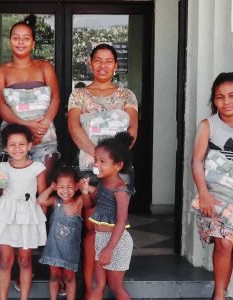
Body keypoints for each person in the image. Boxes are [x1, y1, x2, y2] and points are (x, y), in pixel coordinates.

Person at [67, 43, 138, 296]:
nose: (103, 65)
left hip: (118, 169)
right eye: (98, 60)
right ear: (90, 62)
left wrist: (111, 159)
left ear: (116, 65)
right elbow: (75, 128)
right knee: (91, 228)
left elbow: (131, 132)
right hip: (89, 168)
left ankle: (113, 278)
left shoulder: (127, 96)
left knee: (114, 221)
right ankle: (92, 287)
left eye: (109, 61)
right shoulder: (79, 95)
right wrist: (99, 157)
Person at [191, 72, 233, 300]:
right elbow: (197, 161)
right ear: (214, 101)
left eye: (232, 95)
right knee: (222, 244)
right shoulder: (207, 126)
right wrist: (204, 195)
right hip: (213, 197)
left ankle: (220, 291)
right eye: (220, 97)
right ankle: (220, 294)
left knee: (227, 246)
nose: (226, 101)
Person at [0, 124, 47, 300]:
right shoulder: (2, 167)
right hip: (6, 215)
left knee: (25, 260)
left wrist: (41, 222)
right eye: (12, 145)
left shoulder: (38, 167)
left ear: (30, 145)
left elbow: (43, 197)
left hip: (28, 216)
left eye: (21, 144)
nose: (17, 149)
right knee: (5, 260)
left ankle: (24, 297)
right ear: (5, 147)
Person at [0, 15, 60, 184]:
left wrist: (43, 126)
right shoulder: (0, 72)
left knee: (41, 189)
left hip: (44, 137)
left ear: (33, 43)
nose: (20, 42)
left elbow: (56, 98)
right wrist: (27, 125)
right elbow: (0, 105)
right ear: (10, 41)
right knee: (13, 188)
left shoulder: (45, 67)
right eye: (16, 38)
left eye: (26, 38)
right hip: (13, 140)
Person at [87, 132, 135, 300]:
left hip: (116, 243)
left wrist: (109, 248)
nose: (96, 165)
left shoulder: (121, 190)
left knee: (115, 286)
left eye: (102, 162)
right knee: (97, 284)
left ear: (118, 165)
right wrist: (84, 190)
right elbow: (91, 202)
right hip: (101, 239)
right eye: (95, 160)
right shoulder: (103, 183)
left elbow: (121, 222)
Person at [37, 165, 91, 300]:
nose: (65, 191)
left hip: (70, 250)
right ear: (56, 187)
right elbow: (40, 200)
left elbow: (94, 197)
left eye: (70, 187)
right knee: (54, 277)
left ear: (76, 186)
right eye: (61, 187)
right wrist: (51, 188)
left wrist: (84, 188)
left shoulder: (79, 201)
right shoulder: (56, 201)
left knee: (70, 278)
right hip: (53, 248)